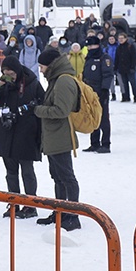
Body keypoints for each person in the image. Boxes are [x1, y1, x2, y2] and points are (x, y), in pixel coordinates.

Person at [0, 56, 42, 216]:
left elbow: (42, 103)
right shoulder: (3, 85)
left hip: (26, 134)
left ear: (18, 71)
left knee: (27, 171)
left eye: (11, 72)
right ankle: (13, 203)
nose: (8, 74)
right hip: (6, 134)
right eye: (5, 71)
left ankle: (30, 205)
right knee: (11, 172)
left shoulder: (31, 83)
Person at [31, 47, 82, 230]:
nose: (41, 70)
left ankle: (73, 216)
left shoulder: (63, 81)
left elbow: (61, 110)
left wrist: (38, 110)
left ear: (51, 65)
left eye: (42, 66)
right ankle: (60, 212)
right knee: (58, 177)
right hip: (53, 137)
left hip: (61, 138)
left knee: (67, 177)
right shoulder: (56, 79)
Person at [80, 35, 113, 153]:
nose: (89, 48)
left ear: (98, 45)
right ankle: (94, 143)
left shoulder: (104, 58)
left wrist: (104, 90)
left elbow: (108, 74)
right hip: (90, 92)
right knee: (92, 117)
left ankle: (105, 144)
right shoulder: (88, 58)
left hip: (100, 91)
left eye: (92, 45)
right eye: (88, 46)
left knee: (103, 118)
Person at [113, 31, 136, 103]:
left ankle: (135, 97)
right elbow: (117, 59)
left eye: (122, 38)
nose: (120, 40)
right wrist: (115, 68)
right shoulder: (118, 48)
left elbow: (134, 58)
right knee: (124, 84)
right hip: (122, 68)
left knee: (133, 84)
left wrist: (132, 67)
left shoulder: (130, 46)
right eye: (119, 38)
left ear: (126, 38)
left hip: (130, 68)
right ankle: (126, 97)